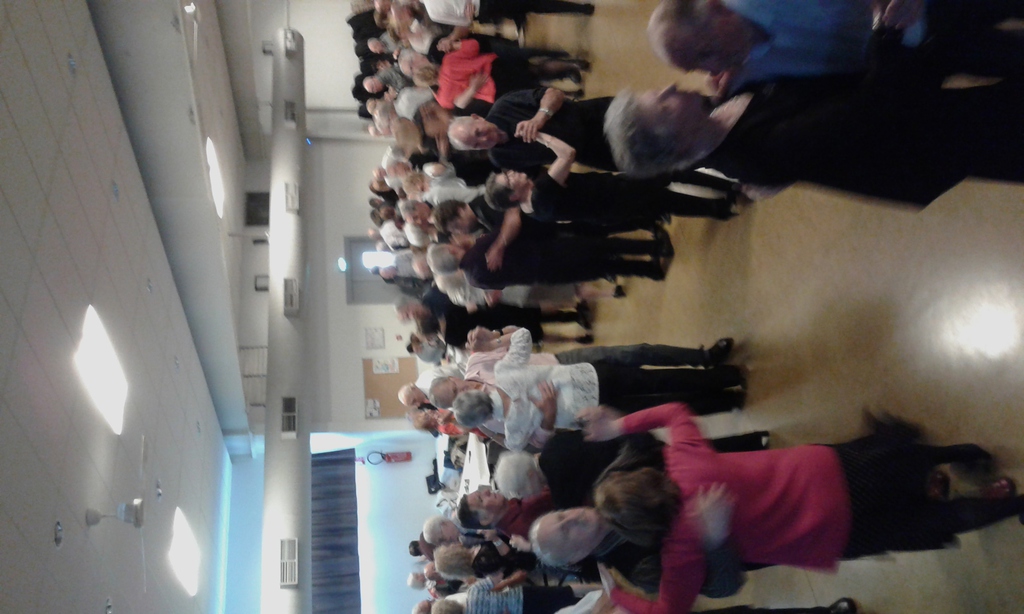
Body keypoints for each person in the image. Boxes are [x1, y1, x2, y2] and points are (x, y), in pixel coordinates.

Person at [581, 402, 1024, 613]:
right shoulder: (683, 459)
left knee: (920, 523)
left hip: (831, 530)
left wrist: (617, 595)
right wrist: (619, 426)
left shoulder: (681, 552)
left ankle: (1010, 505)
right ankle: (970, 454)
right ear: (643, 477)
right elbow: (676, 413)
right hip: (825, 468)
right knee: (905, 461)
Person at [603, 34, 1024, 206]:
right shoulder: (758, 155)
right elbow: (865, 111)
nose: (669, 88)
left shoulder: (720, 110)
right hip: (924, 141)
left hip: (913, 112)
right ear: (677, 145)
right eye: (663, 105)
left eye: (657, 91)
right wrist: (885, 30)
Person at [451, 328, 744, 450]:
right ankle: (726, 377)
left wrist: (545, 416)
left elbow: (519, 445)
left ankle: (728, 399)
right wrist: (495, 341)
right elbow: (523, 336)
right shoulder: (503, 373)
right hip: (589, 379)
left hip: (591, 411)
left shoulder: (511, 428)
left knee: (659, 406)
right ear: (476, 394)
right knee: (658, 382)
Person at [484, 132, 738, 226]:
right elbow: (568, 154)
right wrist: (541, 136)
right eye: (508, 178)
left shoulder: (531, 210)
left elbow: (567, 218)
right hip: (617, 193)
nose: (512, 172)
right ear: (513, 196)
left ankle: (718, 208)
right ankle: (728, 187)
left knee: (666, 201)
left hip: (610, 209)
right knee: (670, 175)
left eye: (507, 172)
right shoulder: (541, 192)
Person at [447, 88, 619, 172]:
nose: (484, 140)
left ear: (477, 117)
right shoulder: (501, 158)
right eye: (477, 145)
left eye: (478, 133)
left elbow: (555, 93)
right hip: (591, 153)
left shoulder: (504, 105)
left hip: (592, 117)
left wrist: (539, 118)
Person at [427, 232, 669, 291]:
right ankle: (655, 247)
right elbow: (508, 233)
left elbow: (502, 285)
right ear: (450, 249)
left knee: (603, 267)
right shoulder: (480, 248)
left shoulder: (474, 280)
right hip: (548, 252)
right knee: (604, 246)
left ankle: (651, 271)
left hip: (544, 276)